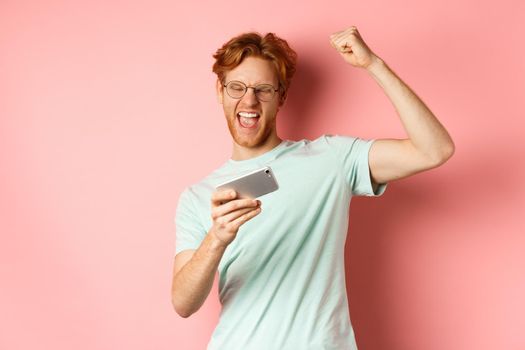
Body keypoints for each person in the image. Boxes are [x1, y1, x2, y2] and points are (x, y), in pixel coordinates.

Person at [171, 26, 454, 350]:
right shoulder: (197, 196)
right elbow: (183, 302)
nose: (249, 100)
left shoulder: (330, 159)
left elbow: (435, 149)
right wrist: (216, 239)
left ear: (282, 97)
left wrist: (373, 64)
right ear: (220, 92)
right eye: (236, 87)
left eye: (263, 89)